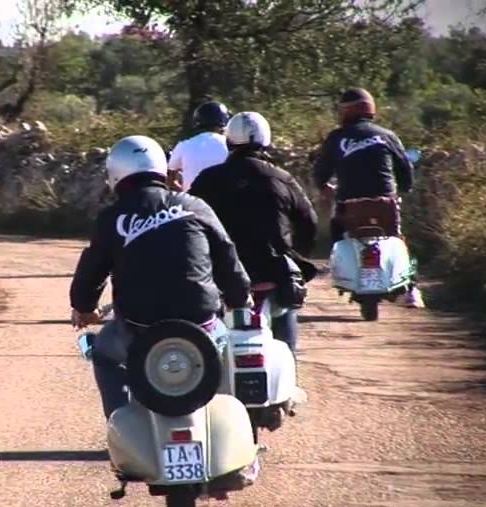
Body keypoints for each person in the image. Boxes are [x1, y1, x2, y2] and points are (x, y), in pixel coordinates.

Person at [69, 135, 252, 419]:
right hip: (201, 323)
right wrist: (239, 298)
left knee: (104, 354)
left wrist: (84, 308)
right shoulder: (195, 206)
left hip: (138, 328)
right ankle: (236, 424)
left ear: (116, 172)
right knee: (227, 350)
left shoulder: (112, 217)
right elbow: (227, 256)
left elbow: (91, 271)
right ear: (160, 168)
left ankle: (120, 424)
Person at [190, 112, 318, 354]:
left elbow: (188, 222)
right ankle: (288, 360)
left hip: (222, 273)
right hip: (272, 271)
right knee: (285, 309)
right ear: (265, 141)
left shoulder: (207, 180)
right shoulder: (282, 178)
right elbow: (309, 222)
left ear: (228, 142)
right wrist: (295, 254)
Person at [312, 87, 424, 308]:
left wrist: (323, 186)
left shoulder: (337, 138)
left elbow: (320, 171)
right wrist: (405, 188)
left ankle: (342, 273)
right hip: (385, 203)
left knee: (338, 232)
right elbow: (405, 168)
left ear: (347, 110)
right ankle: (412, 289)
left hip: (349, 204)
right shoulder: (387, 135)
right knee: (398, 239)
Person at [167, 101, 231, 193]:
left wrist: (185, 194)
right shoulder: (230, 145)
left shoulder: (184, 145)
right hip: (222, 202)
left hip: (192, 203)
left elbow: (170, 179)